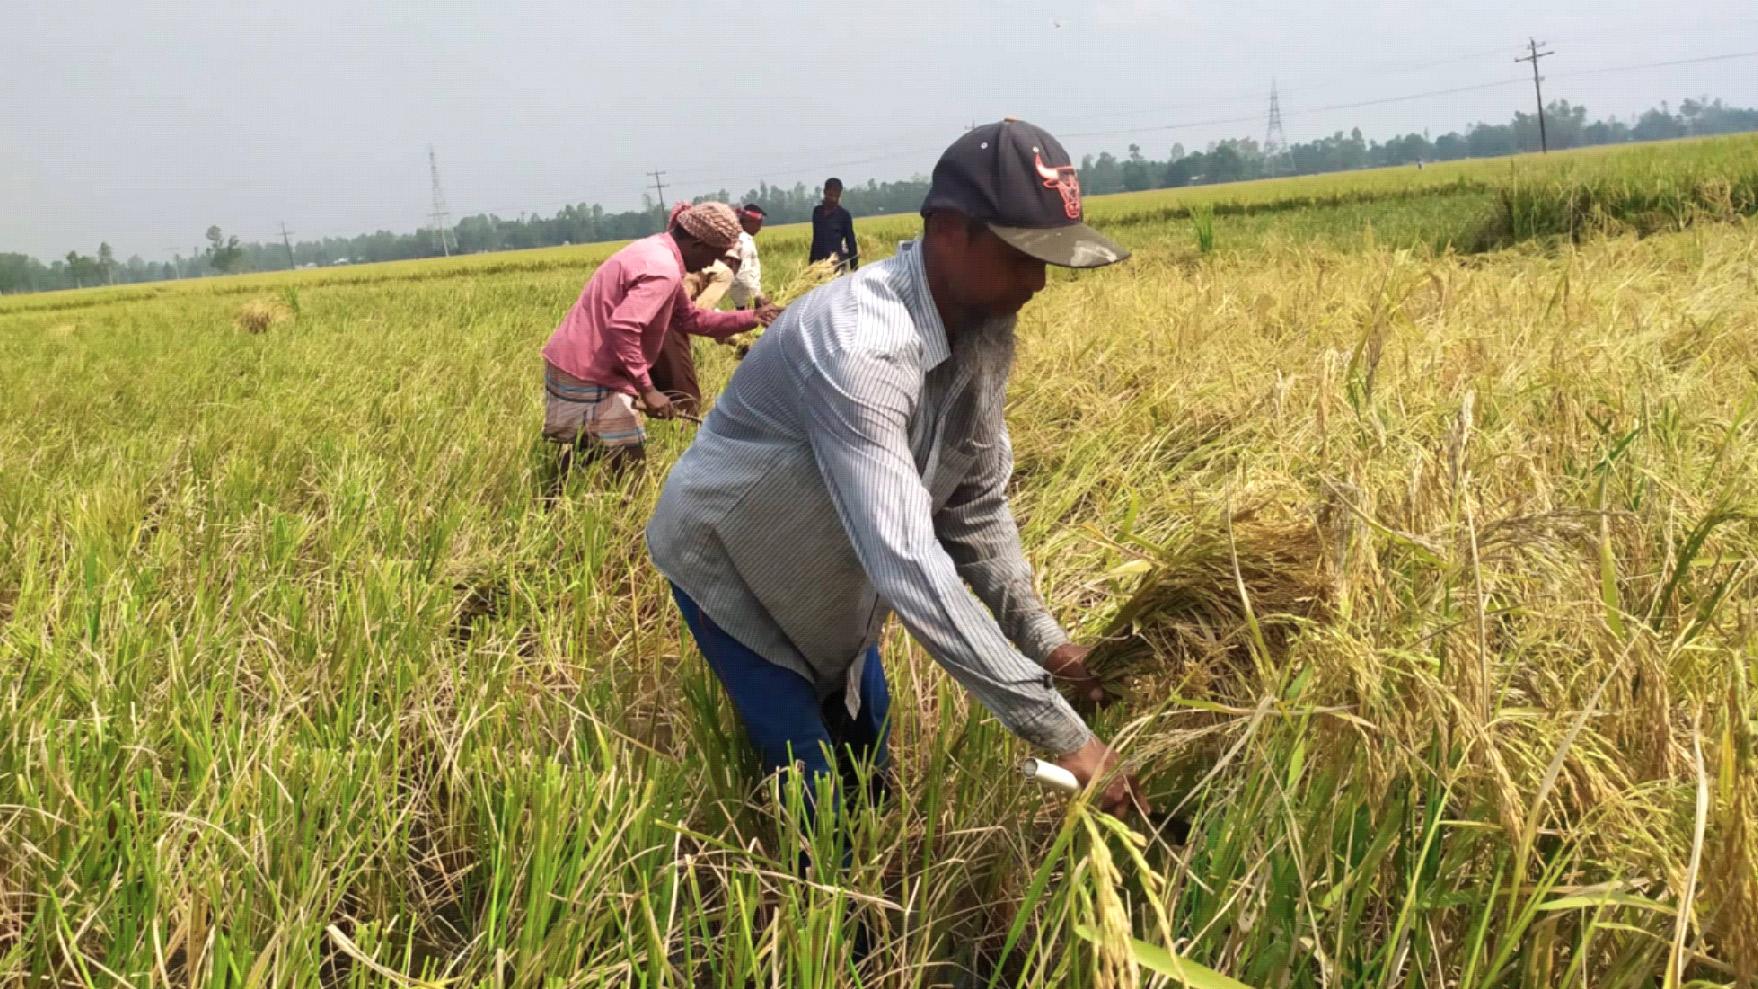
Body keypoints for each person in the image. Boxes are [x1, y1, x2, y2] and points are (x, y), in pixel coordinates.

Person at [647, 120, 1144, 843]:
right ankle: (832, 932)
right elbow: (908, 559)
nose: (1038, 282)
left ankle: (874, 885)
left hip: (831, 571)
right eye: (1021, 257)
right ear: (950, 231)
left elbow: (973, 506)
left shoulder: (978, 330)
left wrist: (1046, 642)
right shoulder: (861, 345)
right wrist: (1060, 732)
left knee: (871, 764)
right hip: (734, 567)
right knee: (813, 790)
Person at [540, 201, 781, 471]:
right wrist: (648, 390)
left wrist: (753, 318)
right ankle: (617, 510)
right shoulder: (662, 268)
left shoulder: (659, 251)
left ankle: (552, 501)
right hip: (588, 369)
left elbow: (689, 318)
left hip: (580, 362)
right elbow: (624, 327)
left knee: (588, 450)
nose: (712, 263)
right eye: (714, 254)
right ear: (697, 244)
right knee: (630, 463)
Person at [808, 178, 858, 272]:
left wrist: (854, 269)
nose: (834, 198)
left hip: (836, 264)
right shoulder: (817, 212)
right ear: (824, 192)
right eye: (831, 194)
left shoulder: (844, 215)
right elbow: (816, 239)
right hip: (819, 264)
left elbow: (851, 242)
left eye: (837, 195)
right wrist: (811, 264)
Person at [727, 205, 768, 310]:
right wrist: (756, 296)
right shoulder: (743, 242)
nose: (760, 228)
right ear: (747, 222)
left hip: (745, 296)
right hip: (746, 298)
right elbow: (742, 273)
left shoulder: (744, 238)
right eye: (758, 224)